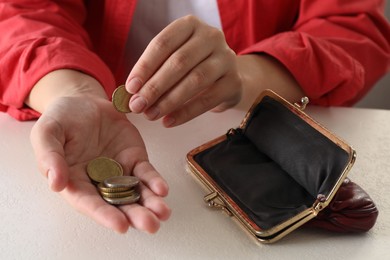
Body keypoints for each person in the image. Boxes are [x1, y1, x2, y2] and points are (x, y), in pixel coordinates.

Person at [0, 0, 389, 234]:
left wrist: (244, 75)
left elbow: (352, 26)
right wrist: (73, 91)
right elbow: (21, 11)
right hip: (114, 127)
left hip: (255, 135)